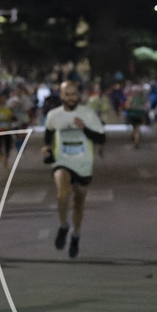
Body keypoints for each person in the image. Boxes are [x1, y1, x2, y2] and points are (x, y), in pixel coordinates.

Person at [42, 80, 106, 259]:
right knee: (62, 193)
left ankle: (76, 235)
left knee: (79, 202)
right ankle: (63, 225)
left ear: (78, 96)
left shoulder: (87, 113)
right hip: (62, 160)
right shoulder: (54, 115)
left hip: (83, 163)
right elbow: (48, 133)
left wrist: (84, 128)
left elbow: (101, 138)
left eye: (74, 94)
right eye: (67, 94)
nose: (71, 98)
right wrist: (47, 147)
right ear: (61, 96)